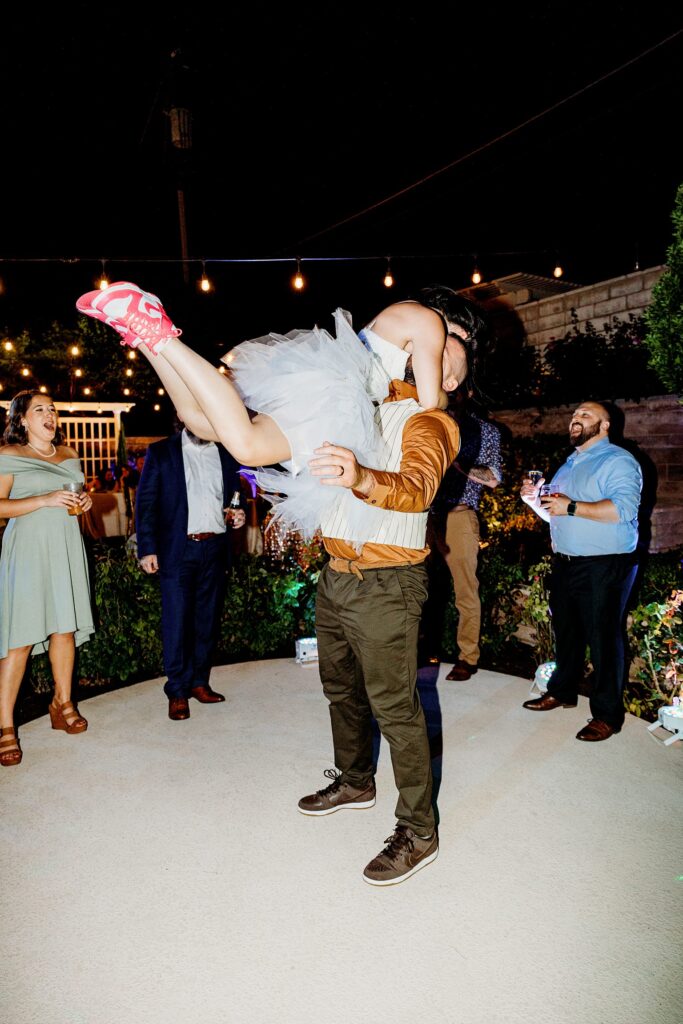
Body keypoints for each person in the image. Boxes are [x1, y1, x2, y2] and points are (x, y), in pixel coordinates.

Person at [77, 279, 488, 884]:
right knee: (340, 692)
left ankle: (418, 831)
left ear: (454, 373)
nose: (441, 350)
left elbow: (418, 490)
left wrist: (360, 477)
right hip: (339, 577)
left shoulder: (433, 424)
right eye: (442, 340)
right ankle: (354, 783)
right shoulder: (357, 403)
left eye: (454, 351)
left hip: (388, 584)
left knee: (396, 709)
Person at [75, 281, 483, 547]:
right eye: (458, 344)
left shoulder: (402, 317)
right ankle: (158, 332)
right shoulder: (430, 323)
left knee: (200, 423)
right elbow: (429, 402)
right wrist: (452, 396)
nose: (448, 353)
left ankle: (145, 336)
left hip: (326, 384)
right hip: (335, 393)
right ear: (453, 327)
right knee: (248, 446)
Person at [520, 400, 642, 742]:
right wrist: (536, 501)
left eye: (585, 415)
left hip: (605, 563)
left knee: (603, 639)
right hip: (567, 562)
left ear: (605, 426)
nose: (576, 418)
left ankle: (607, 715)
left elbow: (623, 509)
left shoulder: (618, 460)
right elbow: (558, 515)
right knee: (567, 632)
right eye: (574, 414)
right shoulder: (569, 464)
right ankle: (562, 690)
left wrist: (570, 505)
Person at [0, 390, 94, 766]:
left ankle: (62, 702)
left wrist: (84, 502)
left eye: (52, 409)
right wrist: (43, 499)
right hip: (26, 551)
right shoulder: (9, 456)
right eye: (40, 409)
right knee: (20, 638)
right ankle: (5, 725)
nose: (50, 414)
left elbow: (76, 498)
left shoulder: (69, 455)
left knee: (64, 630)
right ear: (22, 419)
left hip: (66, 548)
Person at [135, 414, 246, 721]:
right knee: (177, 621)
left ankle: (199, 682)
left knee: (206, 621)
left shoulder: (226, 453)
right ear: (183, 418)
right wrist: (147, 549)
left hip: (215, 547)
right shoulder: (161, 451)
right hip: (177, 550)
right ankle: (177, 690)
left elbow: (235, 497)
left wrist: (238, 514)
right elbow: (145, 504)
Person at [427, 390, 502, 680]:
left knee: (465, 591)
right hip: (424, 516)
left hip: (459, 515)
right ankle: (423, 649)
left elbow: (494, 478)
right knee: (415, 588)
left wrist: (454, 460)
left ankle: (467, 657)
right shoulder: (428, 422)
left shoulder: (484, 430)